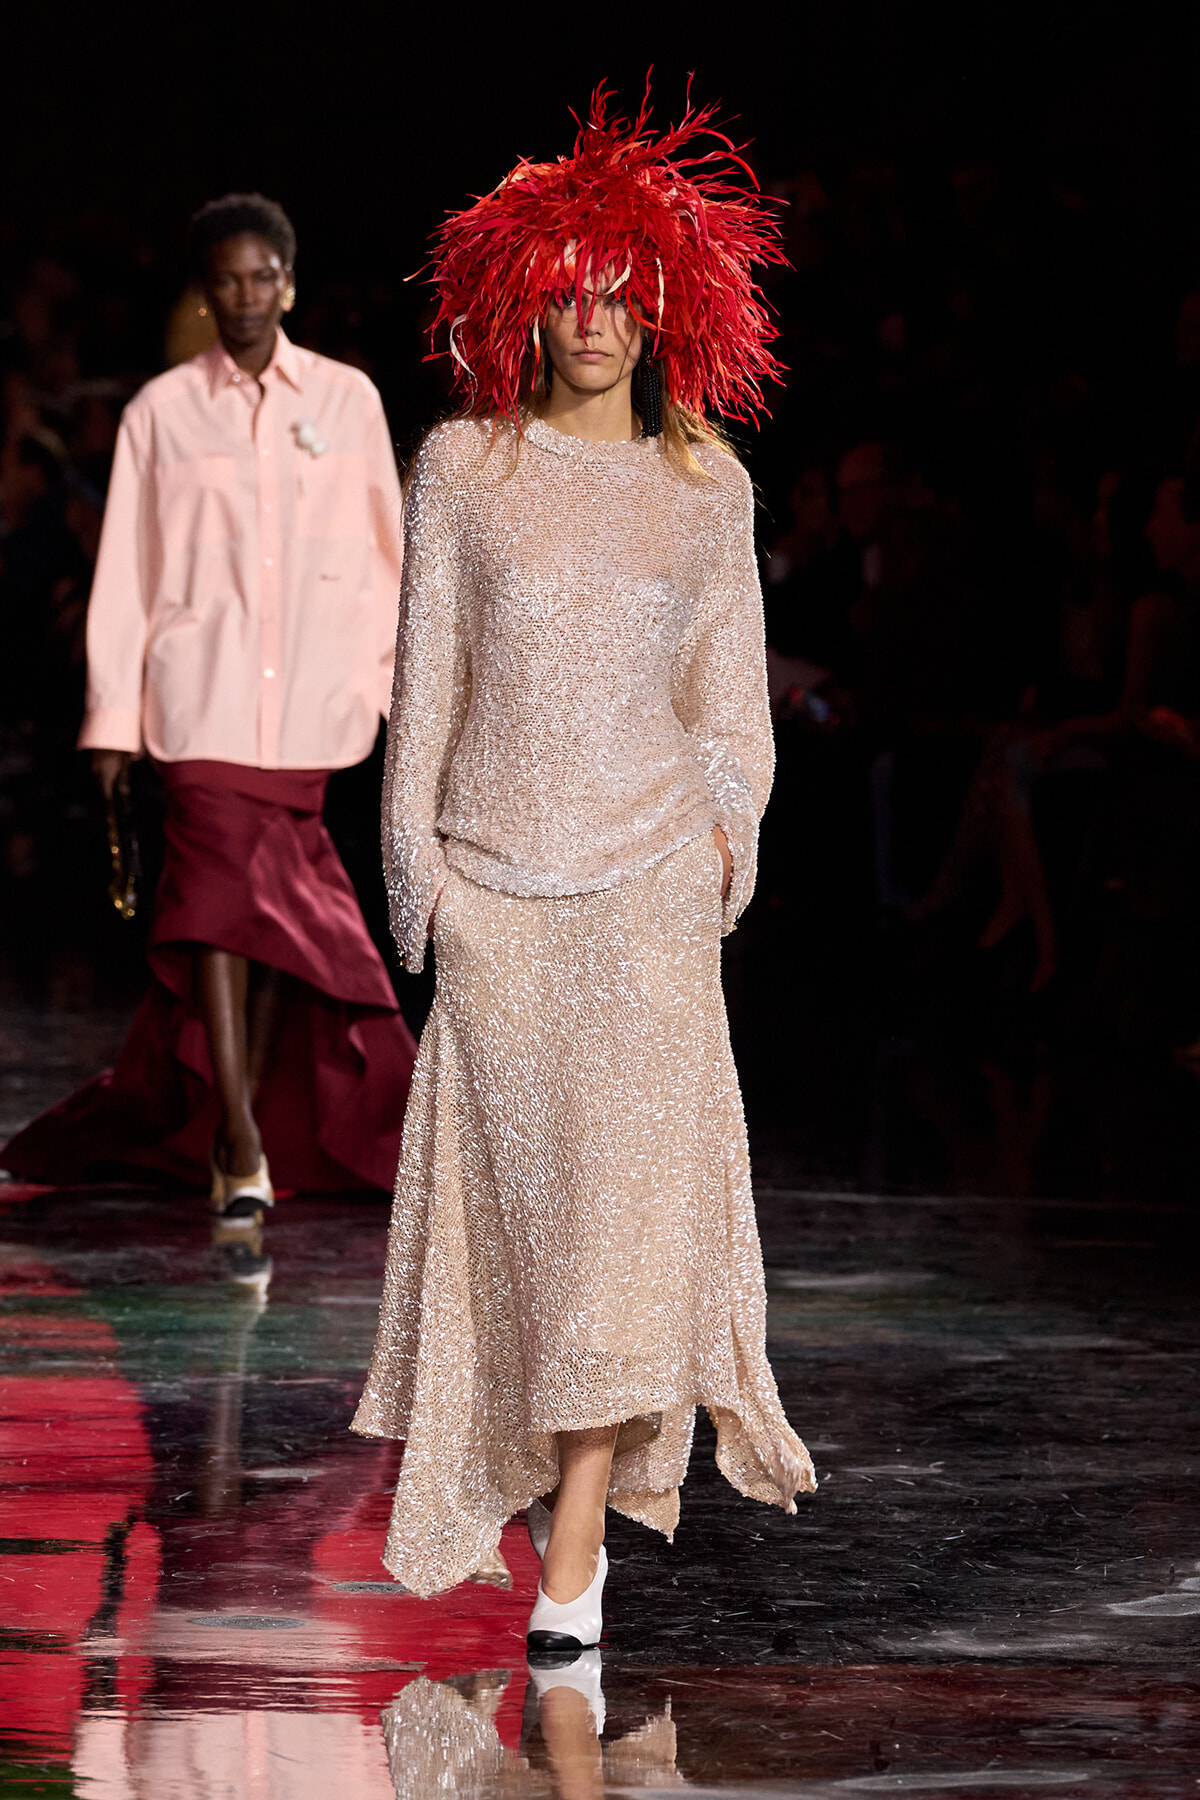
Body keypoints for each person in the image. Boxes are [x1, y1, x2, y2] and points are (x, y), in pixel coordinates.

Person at [351, 87, 814, 1650]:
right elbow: (427, 704)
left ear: (667, 304)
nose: (595, 320)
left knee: (619, 1217)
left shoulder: (709, 493)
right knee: (525, 1225)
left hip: (643, 906)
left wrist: (711, 856)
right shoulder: (463, 473)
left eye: (622, 293)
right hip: (500, 897)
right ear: (520, 304)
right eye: (566, 293)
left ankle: (572, 1535)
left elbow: (735, 721)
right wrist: (430, 895)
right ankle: (550, 1503)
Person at [3, 193, 417, 1206]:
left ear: (288, 280)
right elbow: (127, 576)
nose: (243, 296)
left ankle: (242, 1129)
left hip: (311, 706)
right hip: (199, 701)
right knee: (214, 913)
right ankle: (237, 1134)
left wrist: (383, 687)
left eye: (260, 277)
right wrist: (112, 721)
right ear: (206, 289)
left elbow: (388, 557)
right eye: (224, 280)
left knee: (269, 927)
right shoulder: (159, 413)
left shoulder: (346, 401)